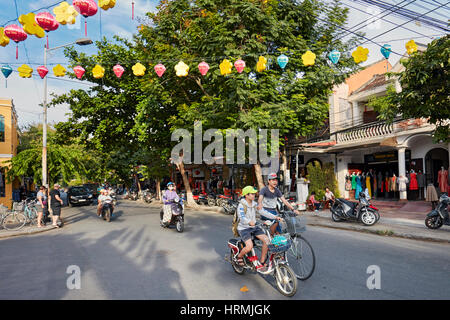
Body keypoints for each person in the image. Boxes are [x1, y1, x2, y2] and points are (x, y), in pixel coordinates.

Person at [235, 186, 283, 273]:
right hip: (244, 228)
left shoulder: (254, 204)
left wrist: (275, 217)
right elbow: (242, 218)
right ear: (246, 195)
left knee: (267, 240)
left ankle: (262, 262)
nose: (254, 195)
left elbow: (263, 211)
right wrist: (249, 222)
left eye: (254, 193)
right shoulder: (241, 205)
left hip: (254, 227)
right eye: (252, 194)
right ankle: (239, 256)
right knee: (249, 246)